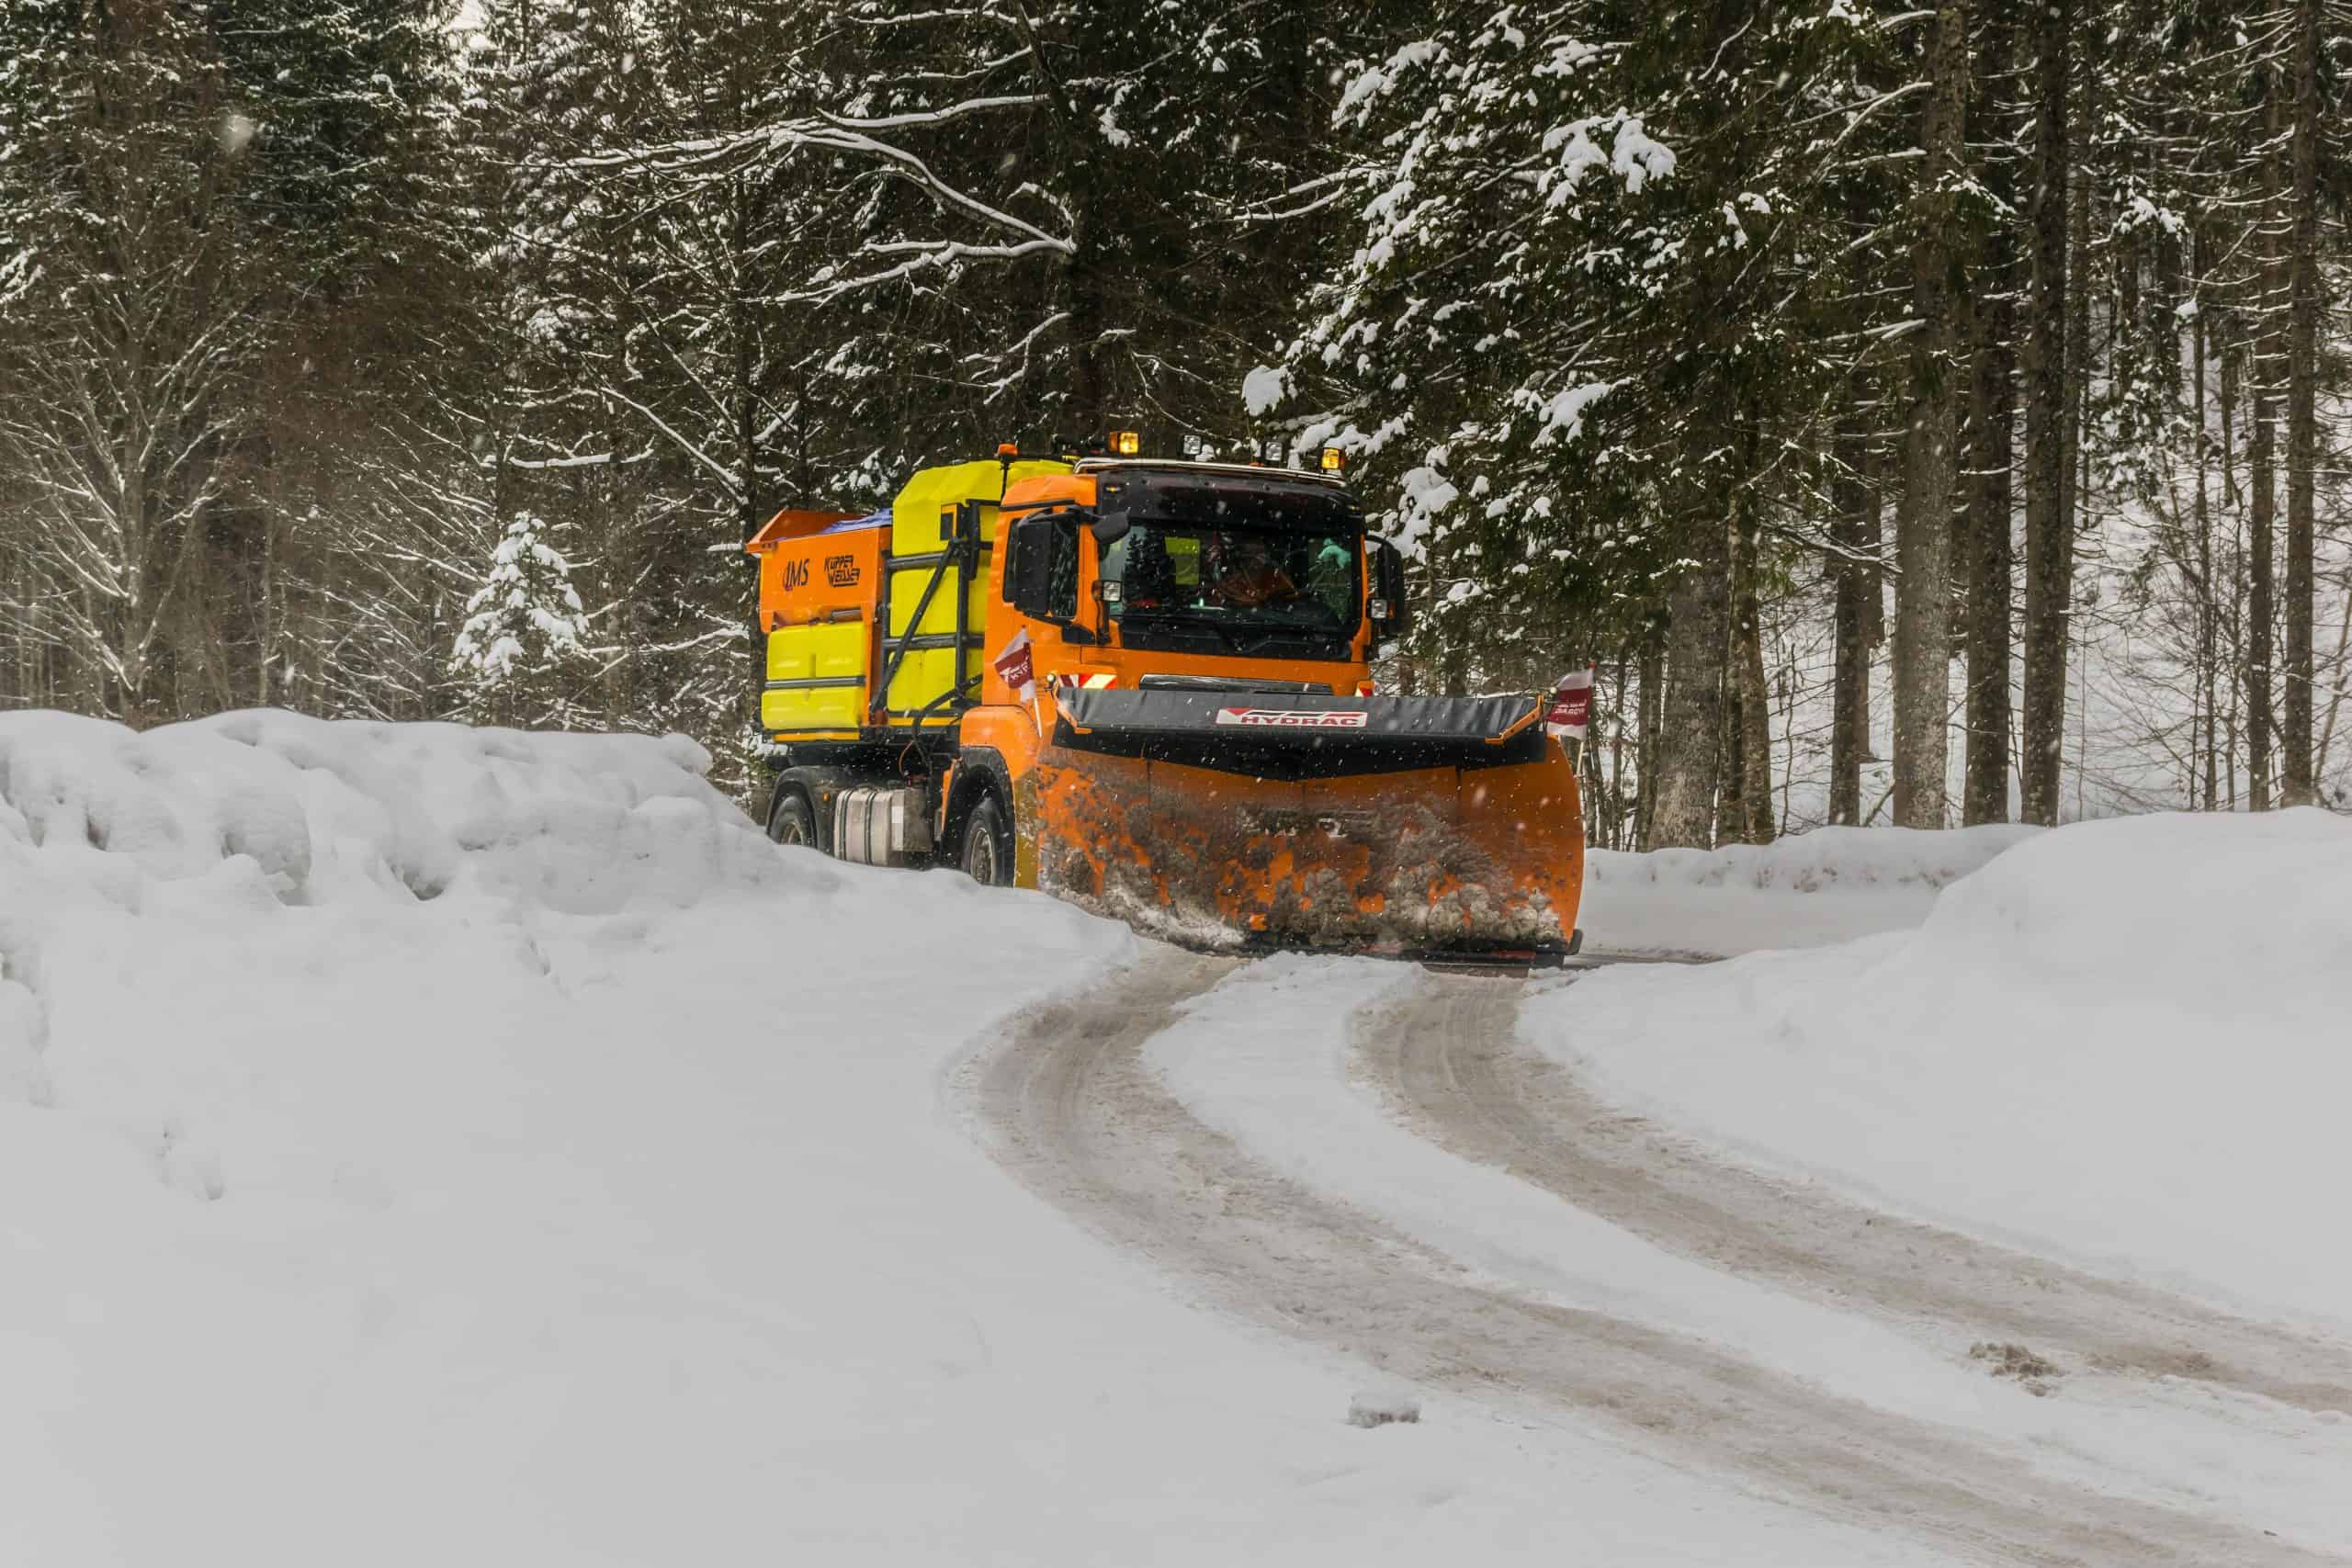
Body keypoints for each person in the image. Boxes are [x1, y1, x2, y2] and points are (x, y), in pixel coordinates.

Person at [1204, 533, 1298, 609]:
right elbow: (1217, 608)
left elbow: (1291, 600)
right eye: (1249, 555)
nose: (1258, 558)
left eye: (1260, 552)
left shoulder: (1273, 575)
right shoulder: (1230, 584)